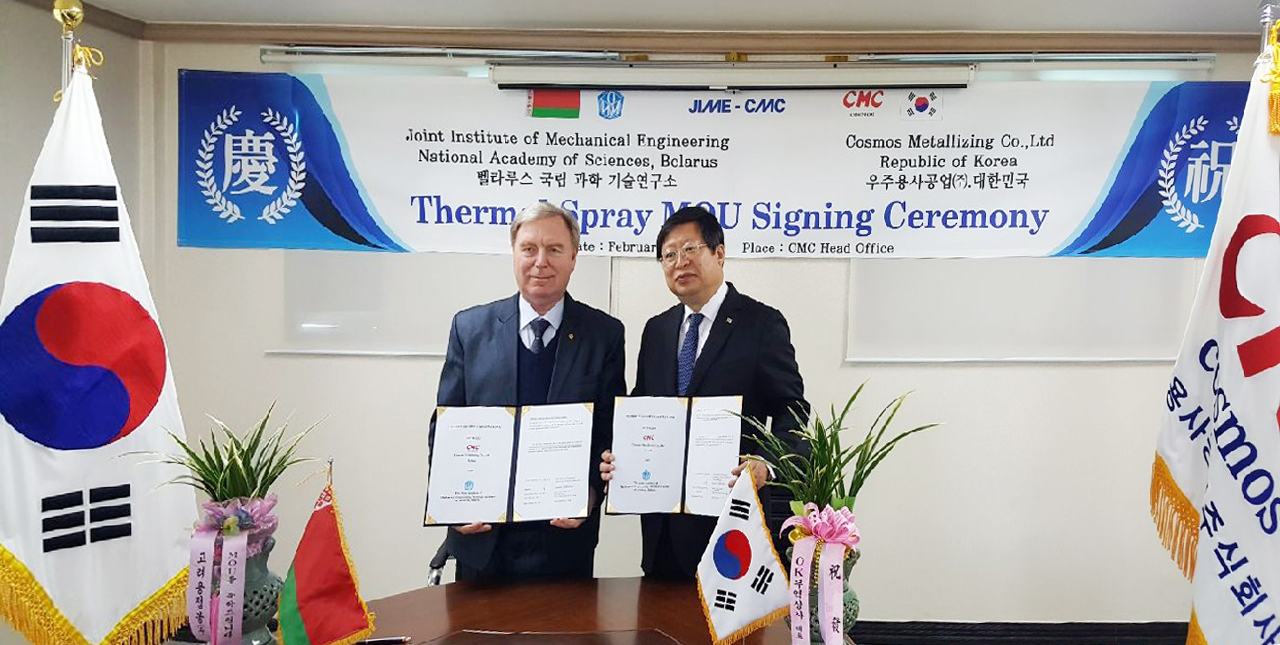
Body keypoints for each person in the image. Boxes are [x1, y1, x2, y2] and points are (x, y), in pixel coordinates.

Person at [600, 205, 810, 580]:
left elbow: (792, 410)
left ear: (719, 253)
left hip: (731, 522)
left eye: (690, 249)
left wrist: (765, 464)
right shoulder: (657, 330)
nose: (680, 262)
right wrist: (620, 451)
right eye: (669, 255)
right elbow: (643, 404)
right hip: (663, 527)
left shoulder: (761, 324)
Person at [430, 201, 626, 582]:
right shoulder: (469, 329)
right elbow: (446, 427)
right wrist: (451, 504)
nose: (540, 262)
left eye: (554, 249)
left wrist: (590, 493)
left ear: (573, 257)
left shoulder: (604, 335)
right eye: (529, 249)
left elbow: (608, 428)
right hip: (482, 539)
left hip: (564, 540)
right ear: (514, 253)